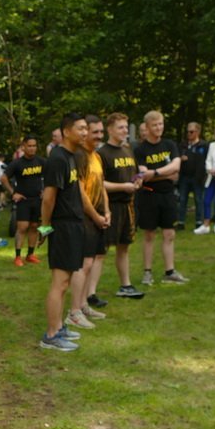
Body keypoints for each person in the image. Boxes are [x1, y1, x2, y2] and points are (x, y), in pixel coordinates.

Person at [39, 113, 99, 352]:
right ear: (66, 131)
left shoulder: (72, 156)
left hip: (74, 225)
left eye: (87, 129)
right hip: (62, 226)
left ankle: (58, 327)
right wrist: (45, 226)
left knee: (64, 282)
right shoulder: (57, 158)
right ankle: (51, 335)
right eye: (81, 129)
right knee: (60, 282)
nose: (85, 133)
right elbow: (48, 198)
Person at [133, 110, 188, 285]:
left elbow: (176, 167)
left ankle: (169, 271)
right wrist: (166, 173)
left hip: (168, 195)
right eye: (155, 125)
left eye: (161, 124)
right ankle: (147, 272)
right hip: (149, 195)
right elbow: (143, 175)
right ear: (147, 127)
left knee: (169, 233)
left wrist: (155, 172)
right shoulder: (140, 149)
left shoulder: (170, 145)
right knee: (149, 234)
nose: (159, 128)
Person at [69, 114, 111, 329]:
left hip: (98, 217)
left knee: (91, 262)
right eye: (94, 132)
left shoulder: (97, 156)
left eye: (100, 132)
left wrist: (107, 210)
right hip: (84, 218)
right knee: (83, 264)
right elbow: (80, 191)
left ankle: (83, 304)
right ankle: (74, 312)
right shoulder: (79, 156)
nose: (98, 136)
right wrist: (95, 215)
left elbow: (101, 185)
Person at [99, 112, 143, 300]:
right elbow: (99, 184)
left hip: (128, 206)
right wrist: (122, 187)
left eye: (126, 127)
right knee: (101, 250)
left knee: (124, 247)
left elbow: (133, 174)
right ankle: (90, 293)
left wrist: (137, 181)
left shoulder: (128, 150)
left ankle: (125, 285)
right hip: (111, 206)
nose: (125, 131)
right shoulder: (102, 154)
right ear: (110, 129)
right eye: (120, 127)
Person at [1, 134, 46, 266]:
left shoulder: (41, 161)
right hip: (23, 201)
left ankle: (30, 254)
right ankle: (18, 256)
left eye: (34, 146)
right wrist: (13, 193)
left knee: (34, 226)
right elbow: (3, 178)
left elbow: (51, 175)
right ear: (23, 147)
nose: (32, 148)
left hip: (37, 199)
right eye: (29, 146)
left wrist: (46, 190)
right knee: (22, 227)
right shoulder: (17, 163)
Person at [177, 122, 208, 231]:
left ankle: (199, 222)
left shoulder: (204, 145)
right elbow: (176, 158)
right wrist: (181, 158)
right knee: (182, 199)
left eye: (191, 131)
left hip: (198, 177)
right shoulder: (183, 145)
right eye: (187, 131)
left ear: (198, 132)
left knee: (198, 199)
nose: (189, 134)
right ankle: (181, 222)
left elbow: (207, 161)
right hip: (184, 177)